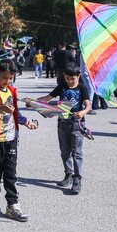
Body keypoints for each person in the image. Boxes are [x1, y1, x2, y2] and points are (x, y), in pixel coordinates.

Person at [0, 60, 38, 221]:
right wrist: (0, 109)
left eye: (10, 78)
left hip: (11, 137)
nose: (7, 81)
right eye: (4, 78)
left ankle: (12, 205)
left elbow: (16, 114)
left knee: (11, 172)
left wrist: (27, 122)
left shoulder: (12, 91)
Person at [35, 62, 91, 194]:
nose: (70, 81)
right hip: (62, 123)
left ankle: (77, 179)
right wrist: (33, 103)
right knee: (65, 151)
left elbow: (88, 106)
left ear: (78, 76)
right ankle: (68, 175)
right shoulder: (62, 87)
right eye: (67, 78)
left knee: (76, 152)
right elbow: (48, 98)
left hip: (77, 124)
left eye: (73, 78)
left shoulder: (82, 88)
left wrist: (82, 113)